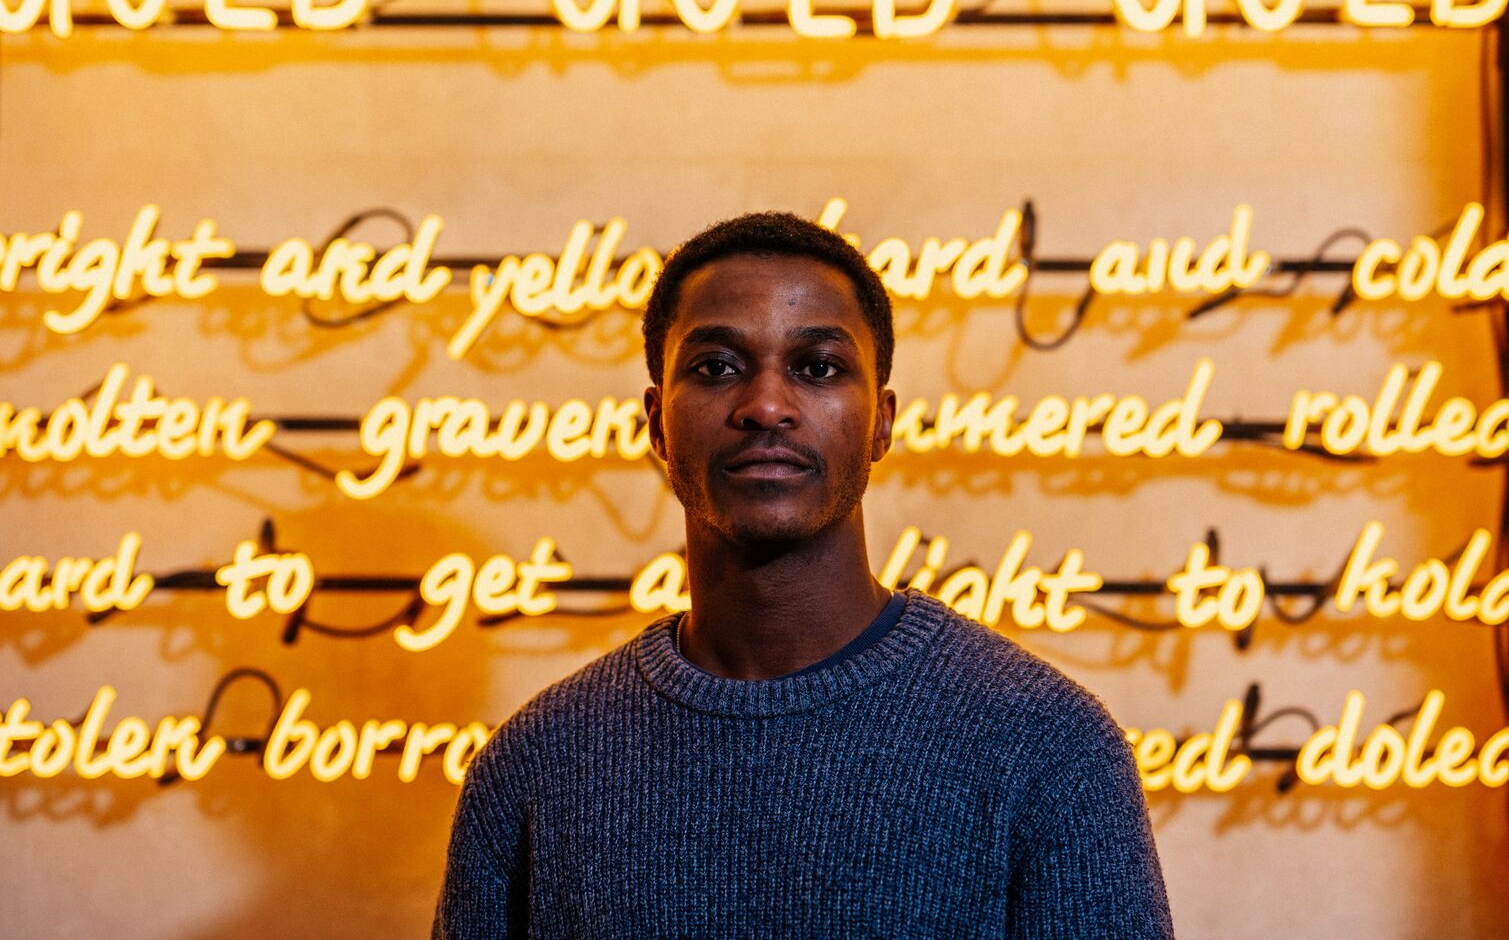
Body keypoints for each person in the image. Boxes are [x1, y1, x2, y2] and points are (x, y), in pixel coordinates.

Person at [432, 212, 1174, 939]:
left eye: (817, 368)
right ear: (657, 422)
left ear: (881, 421)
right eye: (716, 367)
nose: (765, 406)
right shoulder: (537, 764)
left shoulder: (1047, 748)